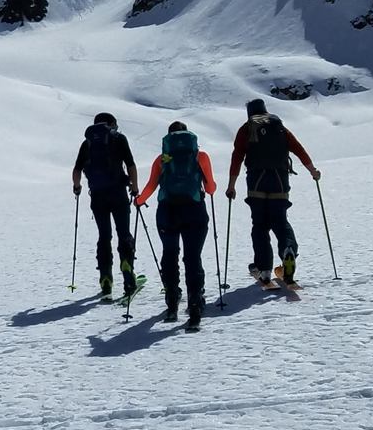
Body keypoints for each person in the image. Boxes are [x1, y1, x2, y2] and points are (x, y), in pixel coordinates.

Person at [224, 98, 321, 286]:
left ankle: (264, 269)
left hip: (256, 183)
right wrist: (313, 171)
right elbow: (298, 149)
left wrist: (231, 185)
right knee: (280, 222)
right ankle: (288, 251)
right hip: (280, 181)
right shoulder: (278, 126)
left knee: (259, 226)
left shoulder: (246, 128)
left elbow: (237, 157)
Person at [135, 122, 217, 329]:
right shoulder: (201, 156)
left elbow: (151, 186)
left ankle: (172, 304)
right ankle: (195, 306)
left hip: (167, 212)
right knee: (192, 257)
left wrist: (138, 200)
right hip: (195, 211)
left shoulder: (162, 159)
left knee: (169, 254)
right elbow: (211, 188)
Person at [71, 112, 140, 297]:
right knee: (123, 233)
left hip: (98, 197)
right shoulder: (119, 139)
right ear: (111, 124)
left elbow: (77, 170)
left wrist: (77, 187)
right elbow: (131, 164)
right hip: (118, 194)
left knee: (104, 236)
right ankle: (127, 271)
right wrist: (134, 187)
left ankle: (106, 277)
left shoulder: (88, 144)